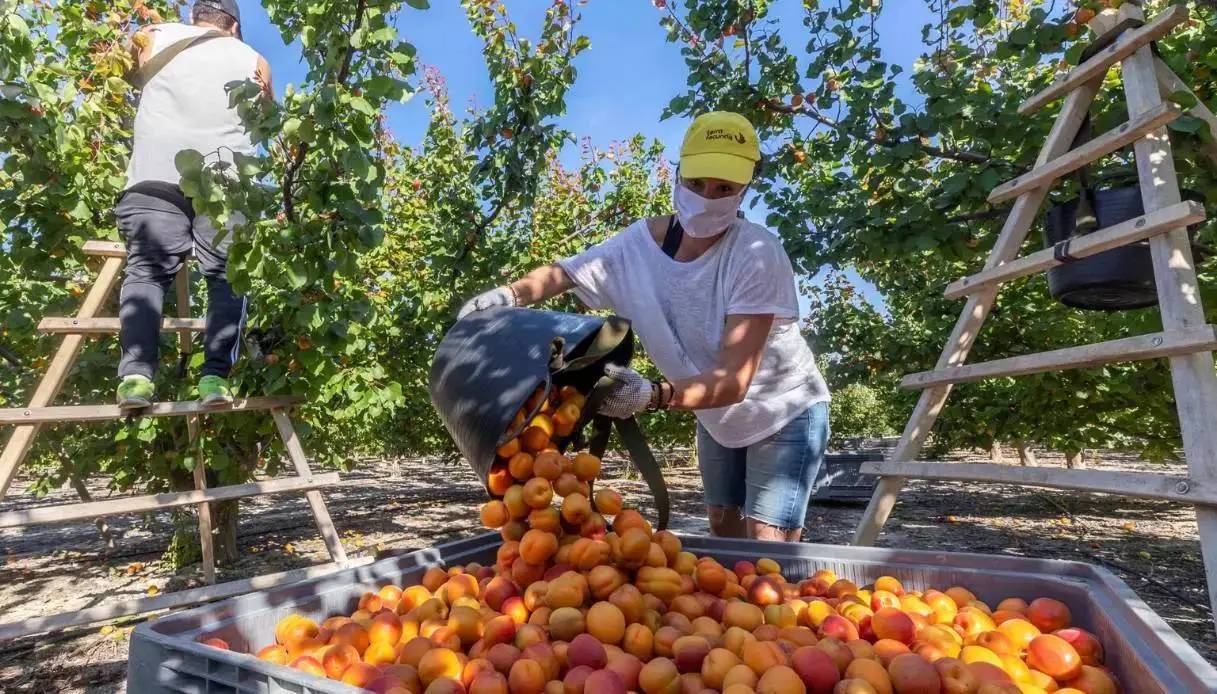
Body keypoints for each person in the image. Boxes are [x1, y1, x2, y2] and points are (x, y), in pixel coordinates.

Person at [459, 112, 830, 542]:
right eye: (696, 183)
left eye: (723, 188)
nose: (707, 197)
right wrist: (509, 296)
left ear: (744, 190)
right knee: (724, 532)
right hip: (715, 417)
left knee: (767, 544)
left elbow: (733, 381)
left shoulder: (756, 254)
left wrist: (652, 395)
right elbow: (568, 272)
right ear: (678, 174)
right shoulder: (639, 245)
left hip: (783, 410)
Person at [115, 0, 272, 409]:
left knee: (147, 273)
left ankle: (135, 377)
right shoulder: (255, 59)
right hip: (226, 182)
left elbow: (120, 75)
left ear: (193, 17)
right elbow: (267, 117)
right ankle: (215, 380)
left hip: (156, 175)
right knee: (226, 277)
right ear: (234, 27)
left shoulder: (155, 38)